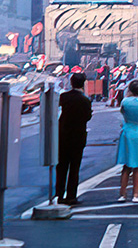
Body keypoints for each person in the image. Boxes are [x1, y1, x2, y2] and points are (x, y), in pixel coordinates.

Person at [55, 72, 93, 206]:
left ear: (71, 83)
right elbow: (88, 117)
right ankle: (71, 196)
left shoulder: (63, 97)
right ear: (83, 83)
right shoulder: (85, 100)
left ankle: (59, 194)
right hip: (78, 136)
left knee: (61, 167)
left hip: (63, 135)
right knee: (74, 167)